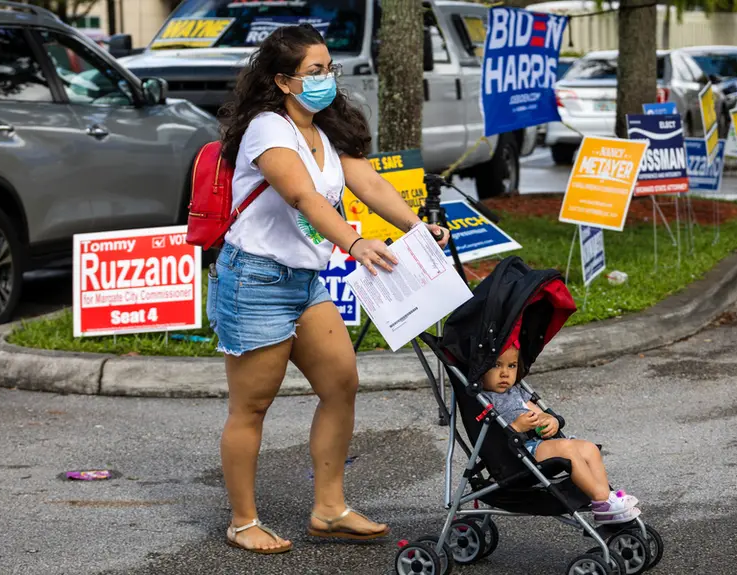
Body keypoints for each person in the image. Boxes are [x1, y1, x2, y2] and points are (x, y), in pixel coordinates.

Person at [208, 24, 450, 555]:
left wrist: (416, 226)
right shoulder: (267, 130)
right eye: (313, 72)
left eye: (328, 69)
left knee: (341, 384)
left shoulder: (326, 128)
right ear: (282, 81)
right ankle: (243, 521)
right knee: (251, 407)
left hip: (304, 281)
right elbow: (301, 196)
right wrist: (354, 241)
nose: (326, 79)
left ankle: (329, 508)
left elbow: (370, 183)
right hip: (256, 280)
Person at [479, 341, 641, 524]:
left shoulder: (516, 391)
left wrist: (551, 421)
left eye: (512, 366)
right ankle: (601, 499)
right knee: (566, 448)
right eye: (496, 365)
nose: (505, 373)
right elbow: (489, 437)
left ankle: (606, 500)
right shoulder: (483, 398)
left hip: (538, 444)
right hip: (517, 451)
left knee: (589, 449)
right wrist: (516, 427)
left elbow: (540, 414)